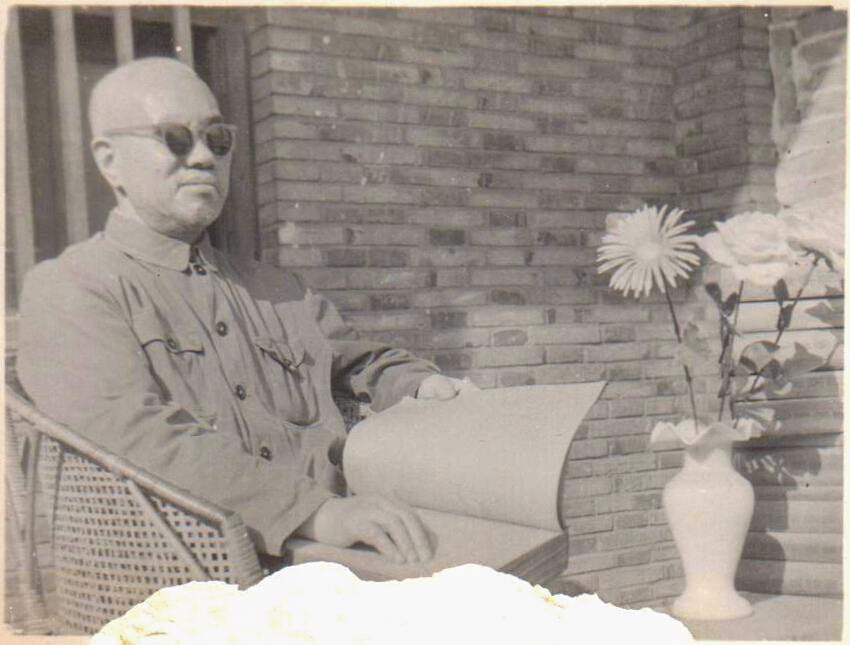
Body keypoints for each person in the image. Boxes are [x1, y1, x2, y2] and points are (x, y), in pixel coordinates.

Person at [17, 57, 462, 566]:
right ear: (110, 161)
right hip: (190, 574)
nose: (203, 157)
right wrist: (314, 512)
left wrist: (420, 384)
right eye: (175, 138)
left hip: (335, 553)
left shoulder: (277, 289)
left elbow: (363, 360)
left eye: (217, 139)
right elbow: (134, 438)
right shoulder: (72, 288)